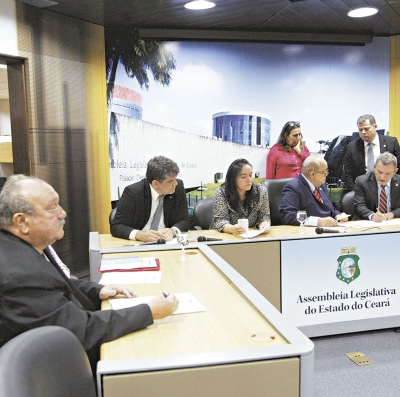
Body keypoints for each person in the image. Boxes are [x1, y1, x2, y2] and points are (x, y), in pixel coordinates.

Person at [0, 175, 179, 374]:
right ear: (22, 222)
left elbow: (58, 284)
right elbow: (82, 331)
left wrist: (98, 290)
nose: (63, 213)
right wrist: (149, 311)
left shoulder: (19, 248)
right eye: (52, 208)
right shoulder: (22, 274)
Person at [111, 156, 190, 242]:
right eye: (171, 181)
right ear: (155, 183)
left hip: (167, 242)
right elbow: (117, 226)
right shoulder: (133, 192)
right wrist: (140, 235)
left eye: (175, 179)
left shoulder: (178, 188)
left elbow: (184, 220)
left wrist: (173, 231)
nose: (176, 183)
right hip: (140, 244)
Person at [279, 156, 348, 226]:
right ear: (312, 174)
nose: (326, 175)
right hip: (308, 232)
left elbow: (329, 208)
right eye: (324, 173)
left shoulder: (321, 185)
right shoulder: (293, 187)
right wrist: (318, 221)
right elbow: (288, 216)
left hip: (329, 229)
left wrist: (338, 215)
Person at [211, 158, 271, 234]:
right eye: (243, 177)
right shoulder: (221, 192)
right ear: (233, 179)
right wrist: (232, 229)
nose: (249, 180)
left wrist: (264, 224)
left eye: (250, 175)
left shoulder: (260, 191)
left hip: (251, 236)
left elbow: (264, 215)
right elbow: (220, 220)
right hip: (226, 235)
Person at [343, 114, 400, 190]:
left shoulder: (391, 142)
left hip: (389, 188)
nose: (363, 132)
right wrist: (355, 191)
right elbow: (348, 173)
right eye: (360, 130)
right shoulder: (352, 146)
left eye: (366, 129)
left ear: (375, 127)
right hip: (362, 190)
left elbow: (398, 167)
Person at [354, 152, 400, 221]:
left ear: (394, 171)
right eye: (380, 172)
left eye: (387, 174)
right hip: (368, 224)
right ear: (374, 167)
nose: (382, 177)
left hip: (392, 222)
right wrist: (372, 216)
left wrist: (392, 214)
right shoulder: (362, 181)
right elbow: (359, 206)